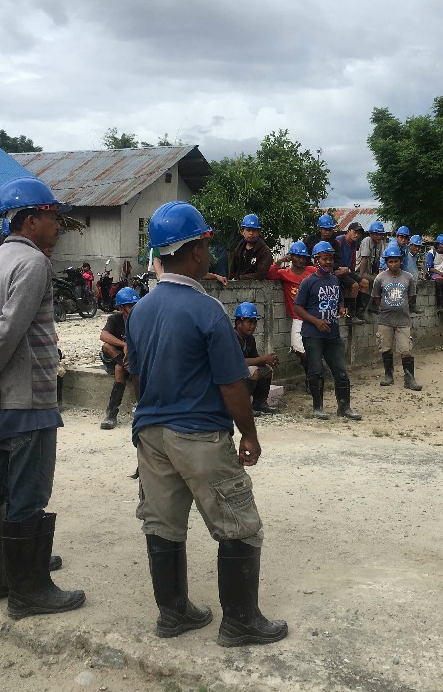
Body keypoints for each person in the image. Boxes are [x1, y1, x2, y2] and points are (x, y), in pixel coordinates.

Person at [127, 201, 287, 646]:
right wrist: (249, 434)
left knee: (162, 523)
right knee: (239, 524)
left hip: (151, 434)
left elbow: (137, 376)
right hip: (198, 434)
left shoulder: (139, 310)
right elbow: (233, 385)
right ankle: (240, 622)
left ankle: (173, 614)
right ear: (195, 251)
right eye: (204, 245)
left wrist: (152, 418)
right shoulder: (208, 310)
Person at [0, 177, 85, 620]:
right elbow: (11, 327)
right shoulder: (32, 264)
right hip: (28, 400)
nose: (58, 227)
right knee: (28, 493)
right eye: (53, 218)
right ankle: (29, 591)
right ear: (32, 219)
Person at [293, 241, 362, 421]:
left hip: (332, 333)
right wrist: (316, 321)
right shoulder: (308, 283)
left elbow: (338, 300)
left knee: (340, 371)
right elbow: (298, 307)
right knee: (315, 371)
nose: (328, 262)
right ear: (316, 260)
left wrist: (341, 309)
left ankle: (344, 407)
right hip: (313, 334)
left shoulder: (334, 280)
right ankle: (318, 408)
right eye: (324, 259)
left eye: (330, 258)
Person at [372, 244, 421, 390]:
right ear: (386, 262)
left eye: (396, 261)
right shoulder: (380, 278)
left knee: (406, 349)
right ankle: (389, 375)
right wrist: (386, 307)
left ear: (401, 261)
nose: (393, 264)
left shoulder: (408, 277)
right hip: (385, 320)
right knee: (385, 348)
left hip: (403, 320)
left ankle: (409, 378)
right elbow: (376, 297)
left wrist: (401, 307)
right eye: (390, 261)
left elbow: (411, 297)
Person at [267, 242, 315, 381]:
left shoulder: (311, 271)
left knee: (313, 349)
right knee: (298, 348)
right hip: (298, 317)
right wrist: (280, 260)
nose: (300, 260)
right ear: (291, 257)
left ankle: (311, 379)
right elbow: (269, 274)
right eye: (297, 257)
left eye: (303, 257)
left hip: (313, 315)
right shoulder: (285, 273)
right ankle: (312, 372)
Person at [99, 286, 141, 430]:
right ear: (122, 308)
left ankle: (111, 413)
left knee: (119, 369)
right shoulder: (115, 319)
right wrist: (124, 344)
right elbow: (103, 336)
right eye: (131, 306)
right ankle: (112, 414)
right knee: (107, 347)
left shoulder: (141, 319)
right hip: (118, 357)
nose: (135, 308)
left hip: (135, 360)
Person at [233, 302, 280, 415]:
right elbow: (238, 362)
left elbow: (256, 358)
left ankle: (259, 404)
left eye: (254, 322)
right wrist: (263, 359)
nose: (253, 326)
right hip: (228, 375)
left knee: (266, 370)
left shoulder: (249, 338)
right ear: (239, 322)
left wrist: (269, 360)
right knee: (254, 371)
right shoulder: (231, 337)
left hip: (241, 372)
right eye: (249, 322)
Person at [334, 223, 367, 324]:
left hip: (347, 271)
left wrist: (352, 272)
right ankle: (350, 315)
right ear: (349, 231)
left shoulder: (353, 243)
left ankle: (359, 312)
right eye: (355, 232)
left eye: (359, 233)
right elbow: (334, 258)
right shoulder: (339, 240)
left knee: (365, 283)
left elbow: (353, 259)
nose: (357, 235)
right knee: (355, 285)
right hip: (338, 270)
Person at [227, 214, 272, 281]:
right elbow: (233, 269)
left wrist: (240, 278)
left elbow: (260, 275)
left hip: (256, 288)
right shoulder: (239, 247)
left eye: (254, 230)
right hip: (236, 287)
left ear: (258, 232)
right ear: (243, 232)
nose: (251, 233)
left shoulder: (264, 251)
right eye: (248, 230)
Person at [356, 221, 387, 315]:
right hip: (359, 270)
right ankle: (364, 309)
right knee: (378, 281)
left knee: (383, 280)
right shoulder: (367, 241)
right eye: (376, 234)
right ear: (371, 234)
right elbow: (364, 260)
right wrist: (360, 277)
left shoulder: (380, 243)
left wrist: (377, 273)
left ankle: (373, 306)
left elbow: (377, 261)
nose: (378, 237)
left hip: (369, 272)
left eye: (380, 234)